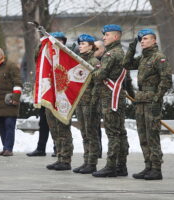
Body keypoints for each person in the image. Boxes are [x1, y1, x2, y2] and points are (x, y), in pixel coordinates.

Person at [122, 29, 172, 180]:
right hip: (141, 100)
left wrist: (157, 99)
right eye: (141, 39)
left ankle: (156, 168)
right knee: (143, 135)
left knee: (152, 136)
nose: (142, 41)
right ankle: (148, 166)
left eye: (145, 39)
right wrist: (131, 49)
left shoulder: (159, 57)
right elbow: (127, 64)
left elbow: (166, 80)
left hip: (151, 101)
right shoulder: (143, 58)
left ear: (154, 40)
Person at [91, 24, 129, 177]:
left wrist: (94, 71)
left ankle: (111, 166)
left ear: (116, 36)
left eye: (106, 35)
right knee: (120, 133)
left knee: (113, 133)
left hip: (110, 97)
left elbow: (99, 75)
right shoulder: (121, 52)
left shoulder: (110, 54)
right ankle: (121, 166)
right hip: (118, 96)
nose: (103, 38)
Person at [72, 34, 101, 174]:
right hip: (80, 102)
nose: (80, 46)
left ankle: (92, 163)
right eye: (80, 44)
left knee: (91, 133)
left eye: (83, 44)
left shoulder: (94, 62)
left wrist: (94, 102)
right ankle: (86, 161)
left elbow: (98, 84)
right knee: (84, 132)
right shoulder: (78, 61)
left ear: (90, 46)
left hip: (90, 103)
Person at [45, 32, 73, 171]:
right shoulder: (49, 57)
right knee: (54, 130)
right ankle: (59, 156)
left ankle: (66, 159)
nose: (56, 43)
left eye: (59, 41)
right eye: (53, 41)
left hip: (64, 98)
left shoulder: (68, 57)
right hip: (51, 97)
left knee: (63, 130)